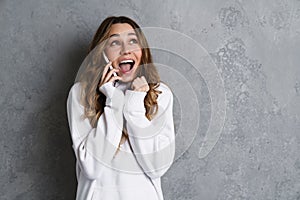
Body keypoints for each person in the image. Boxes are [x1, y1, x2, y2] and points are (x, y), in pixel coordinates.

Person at [66, 16, 175, 200]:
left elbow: (157, 167)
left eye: (133, 41)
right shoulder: (80, 94)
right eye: (115, 42)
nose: (126, 50)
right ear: (102, 52)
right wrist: (113, 102)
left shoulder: (160, 94)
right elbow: (91, 167)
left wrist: (135, 106)